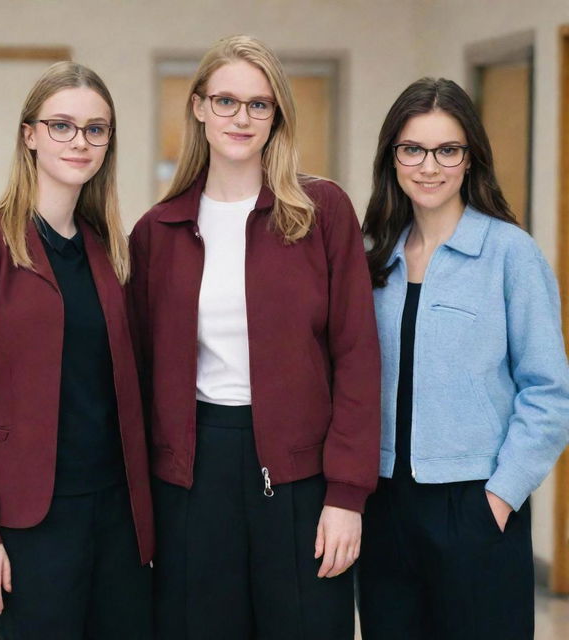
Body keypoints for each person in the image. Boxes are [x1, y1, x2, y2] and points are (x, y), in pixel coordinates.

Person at [128, 35, 380, 640]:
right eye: (226, 101)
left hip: (300, 473)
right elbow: (135, 374)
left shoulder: (322, 213)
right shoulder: (156, 232)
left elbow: (357, 357)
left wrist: (346, 495)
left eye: (259, 105)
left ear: (277, 116)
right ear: (198, 107)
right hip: (193, 472)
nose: (241, 118)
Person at [0, 61, 154, 640]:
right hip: (32, 522)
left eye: (95, 129)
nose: (80, 141)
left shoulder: (114, 254)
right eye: (62, 125)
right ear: (29, 134)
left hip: (120, 520)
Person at [357, 77, 569, 640]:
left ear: (470, 158)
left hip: (474, 506)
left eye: (447, 150)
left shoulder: (510, 254)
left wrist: (498, 499)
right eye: (413, 149)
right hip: (384, 505)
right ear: (392, 158)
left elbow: (549, 392)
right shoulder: (371, 255)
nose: (429, 167)